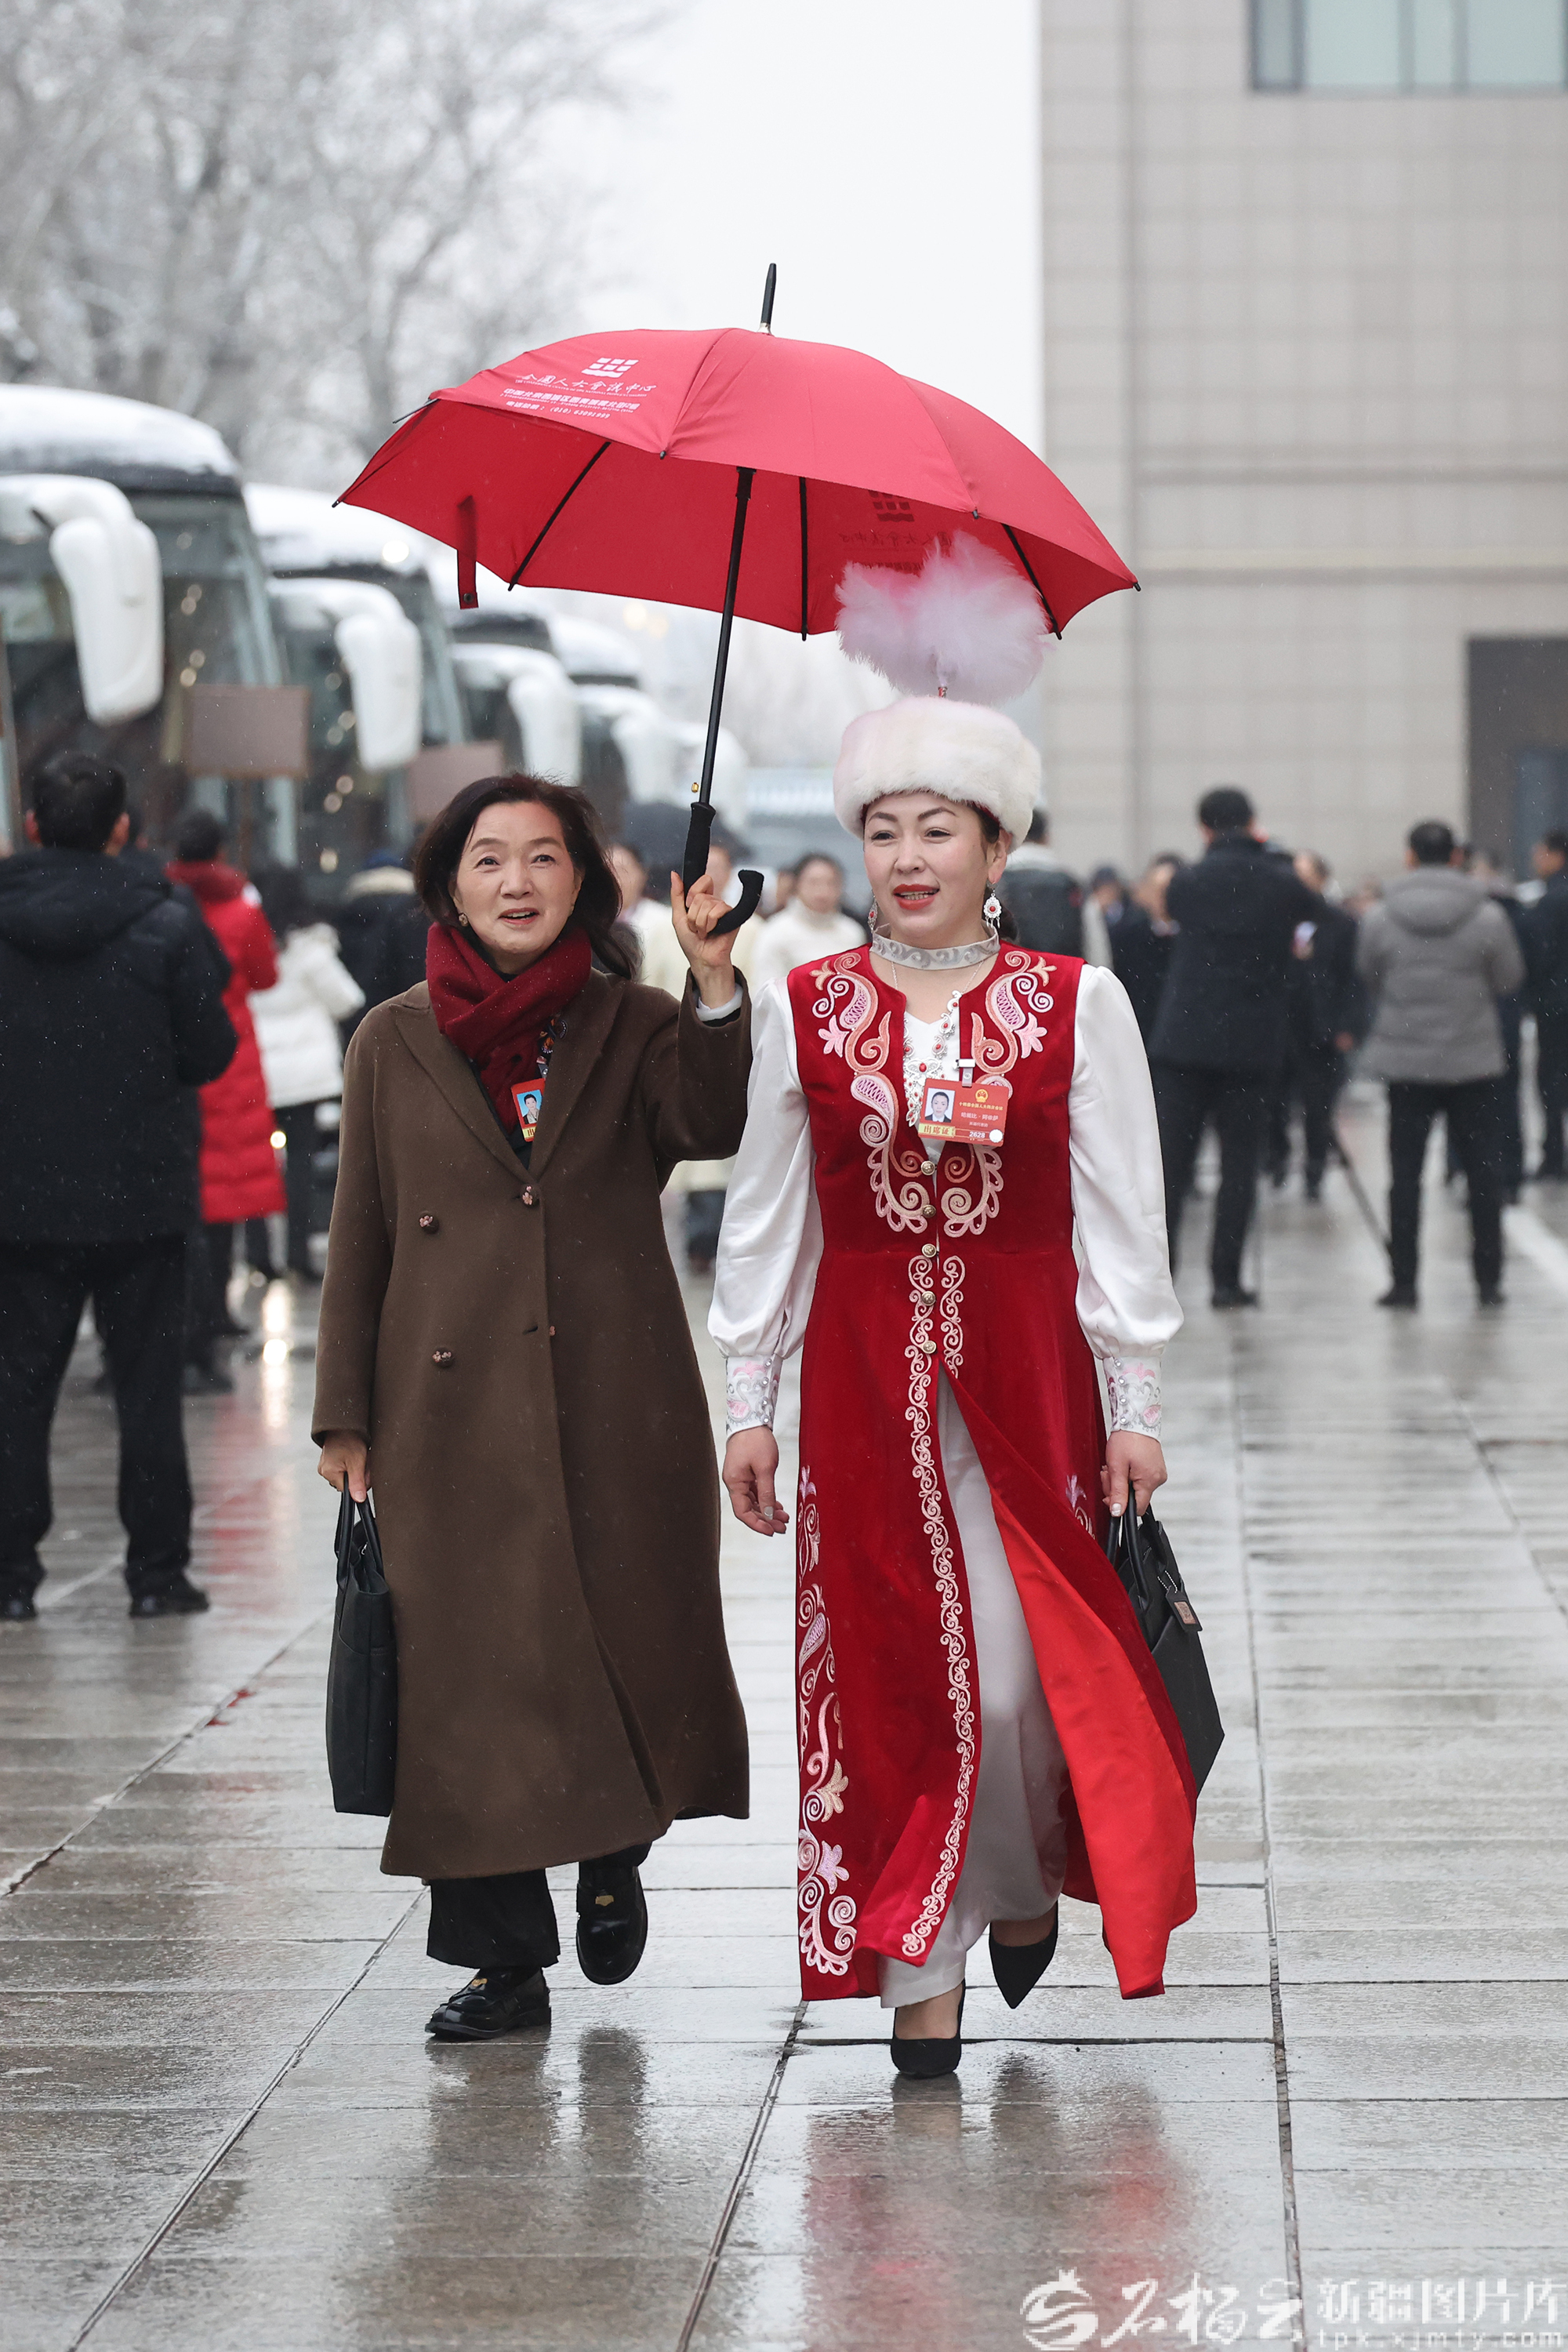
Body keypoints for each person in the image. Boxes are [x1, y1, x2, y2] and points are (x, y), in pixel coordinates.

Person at [713, 542, 1193, 2080]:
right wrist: (748, 1402)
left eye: (940, 827)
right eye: (884, 829)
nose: (908, 855)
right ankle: (922, 1978)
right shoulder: (807, 1008)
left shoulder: (1076, 1005)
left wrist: (1135, 1407)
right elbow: (767, 1219)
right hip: (863, 1395)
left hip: (1028, 1384)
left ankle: (1023, 1875)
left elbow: (1123, 1215)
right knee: (895, 1675)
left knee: (1018, 1673)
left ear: (1000, 846)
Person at [311, 772, 753, 2042]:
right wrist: (344, 1414)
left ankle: (614, 1854)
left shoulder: (633, 1022)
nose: (517, 881)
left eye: (544, 857)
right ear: (450, 885)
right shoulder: (392, 1037)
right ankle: (503, 1964)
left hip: (614, 1395)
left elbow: (709, 1118)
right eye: (489, 858)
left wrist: (711, 981)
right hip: (444, 1413)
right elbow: (362, 1231)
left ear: (585, 884)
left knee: (618, 1644)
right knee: (465, 1685)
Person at [0, 753, 235, 1620]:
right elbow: (209, 1052)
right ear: (123, 829)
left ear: (32, 826)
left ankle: (9, 1578)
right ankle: (157, 1575)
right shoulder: (167, 922)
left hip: (19, 1201)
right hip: (142, 1198)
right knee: (147, 1393)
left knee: (17, 1393)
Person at [1149, 788, 1320, 1307]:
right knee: (1239, 1166)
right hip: (1251, 1042)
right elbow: (1318, 912)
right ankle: (1226, 1280)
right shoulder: (1281, 882)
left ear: (1204, 829)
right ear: (1253, 823)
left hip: (1184, 1040)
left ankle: (1161, 1278)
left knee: (1171, 1167)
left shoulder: (1187, 881)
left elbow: (1167, 912)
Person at [1357, 818, 1524, 1308]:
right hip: (1472, 1061)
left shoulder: (1381, 916)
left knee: (1405, 1177)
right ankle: (1488, 1280)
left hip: (1406, 1062)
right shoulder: (1488, 916)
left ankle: (1404, 1281)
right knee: (1483, 1175)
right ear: (1456, 856)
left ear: (1409, 856)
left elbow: (1369, 975)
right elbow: (1509, 978)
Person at [166, 810, 286, 1389]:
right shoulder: (241, 908)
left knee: (189, 1190)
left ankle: (189, 1315)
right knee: (229, 1189)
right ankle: (215, 1308)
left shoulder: (163, 905)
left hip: (176, 1055)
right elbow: (266, 976)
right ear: (219, 851)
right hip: (230, 1054)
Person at [248, 867, 365, 1279]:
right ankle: (298, 1252)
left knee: (255, 1163)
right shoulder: (311, 948)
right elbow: (347, 999)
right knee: (300, 1162)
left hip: (258, 1066)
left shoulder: (248, 942)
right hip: (304, 1073)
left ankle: (259, 1253)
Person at [1266, 852, 1365, 1200]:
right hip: (1278, 1026)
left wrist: (1348, 1025)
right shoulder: (1274, 919)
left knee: (1318, 1105)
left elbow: (1353, 979)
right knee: (1273, 1102)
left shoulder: (1340, 923)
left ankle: (1315, 1168)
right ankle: (1276, 1159)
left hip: (1320, 1028)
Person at [996, 807, 1112, 964]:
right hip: (1063, 974)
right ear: (1046, 837)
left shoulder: (996, 882)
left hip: (1008, 973)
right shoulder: (1071, 884)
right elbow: (1095, 944)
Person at [1523, 830, 1568, 1181]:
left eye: (1540, 853)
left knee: (1552, 1081)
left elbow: (1539, 954)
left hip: (1556, 1005)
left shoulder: (1552, 900)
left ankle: (1554, 1155)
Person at [749, 851, 864, 989]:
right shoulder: (776, 931)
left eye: (831, 883)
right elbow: (765, 990)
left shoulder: (852, 933)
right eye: (814, 883)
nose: (823, 892)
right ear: (797, 885)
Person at [1111, 855, 1182, 1043]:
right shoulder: (1128, 936)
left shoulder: (1194, 938)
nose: (1163, 898)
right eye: (1157, 890)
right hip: (1141, 1031)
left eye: (1168, 890)